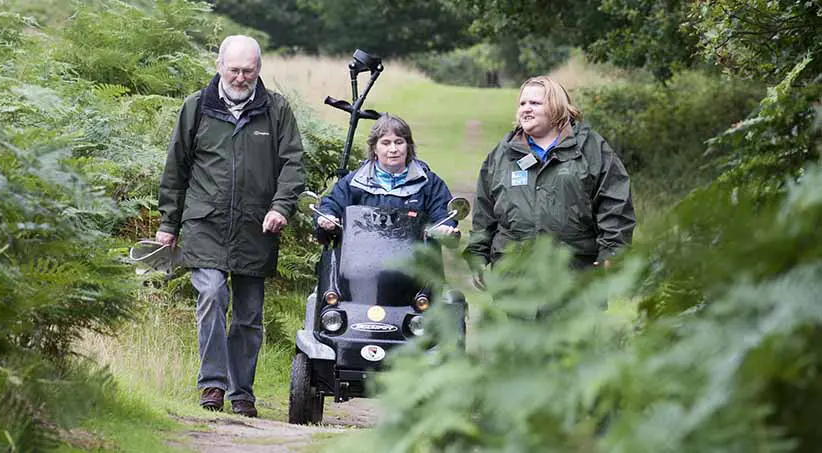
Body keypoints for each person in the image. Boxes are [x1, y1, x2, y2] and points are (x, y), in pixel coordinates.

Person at [156, 35, 305, 418]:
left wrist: (280, 207)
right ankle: (212, 384)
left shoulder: (277, 111)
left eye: (248, 71)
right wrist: (167, 224)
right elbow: (176, 170)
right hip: (205, 223)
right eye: (234, 69)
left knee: (249, 316)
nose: (240, 77)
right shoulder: (196, 108)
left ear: (259, 70)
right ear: (219, 66)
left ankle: (242, 393)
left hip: (257, 228)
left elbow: (293, 165)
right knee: (211, 293)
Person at [464, 76, 635, 286]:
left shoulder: (590, 148)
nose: (526, 109)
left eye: (535, 103)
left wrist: (612, 251)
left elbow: (614, 203)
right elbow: (484, 212)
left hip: (574, 277)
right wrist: (478, 256)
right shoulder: (503, 154)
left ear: (556, 107)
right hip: (516, 280)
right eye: (522, 103)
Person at [315, 114, 458, 236]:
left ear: (408, 147)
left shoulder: (429, 183)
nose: (393, 149)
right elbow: (331, 204)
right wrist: (327, 217)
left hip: (415, 263)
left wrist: (444, 227)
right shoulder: (354, 182)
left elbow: (442, 213)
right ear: (374, 148)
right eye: (386, 143)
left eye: (399, 142)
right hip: (361, 261)